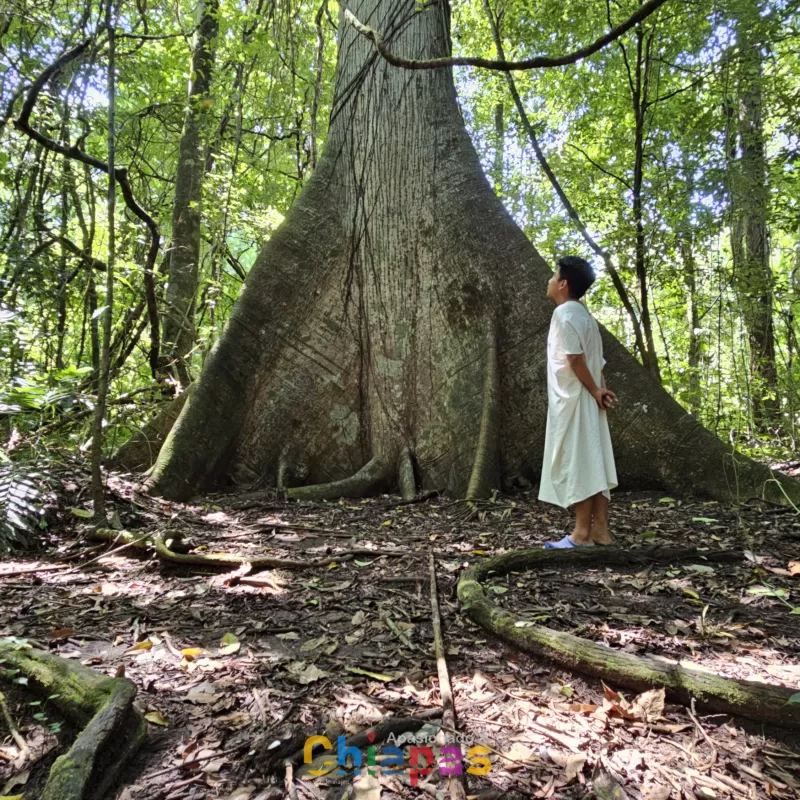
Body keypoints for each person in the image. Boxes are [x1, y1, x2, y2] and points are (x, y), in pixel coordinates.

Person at [539, 256, 618, 548]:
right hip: (588, 397)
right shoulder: (584, 315)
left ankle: (582, 534)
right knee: (594, 461)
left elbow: (575, 358)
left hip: (574, 400)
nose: (548, 280)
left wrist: (595, 391)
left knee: (580, 462)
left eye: (553, 275)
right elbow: (597, 361)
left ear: (563, 283)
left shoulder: (564, 314)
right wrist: (600, 390)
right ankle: (601, 532)